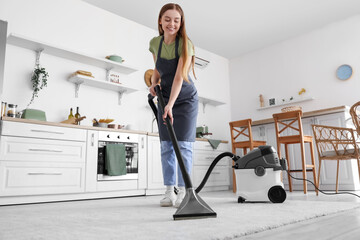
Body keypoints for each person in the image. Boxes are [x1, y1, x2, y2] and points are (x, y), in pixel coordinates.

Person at [149, 3, 198, 208]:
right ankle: (170, 192)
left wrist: (170, 104)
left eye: (176, 20)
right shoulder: (154, 43)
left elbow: (179, 77)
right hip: (166, 98)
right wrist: (153, 83)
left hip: (185, 99)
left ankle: (186, 192)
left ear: (181, 22)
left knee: (184, 146)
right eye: (167, 19)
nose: (172, 24)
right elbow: (158, 69)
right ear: (160, 21)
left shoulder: (185, 43)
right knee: (166, 146)